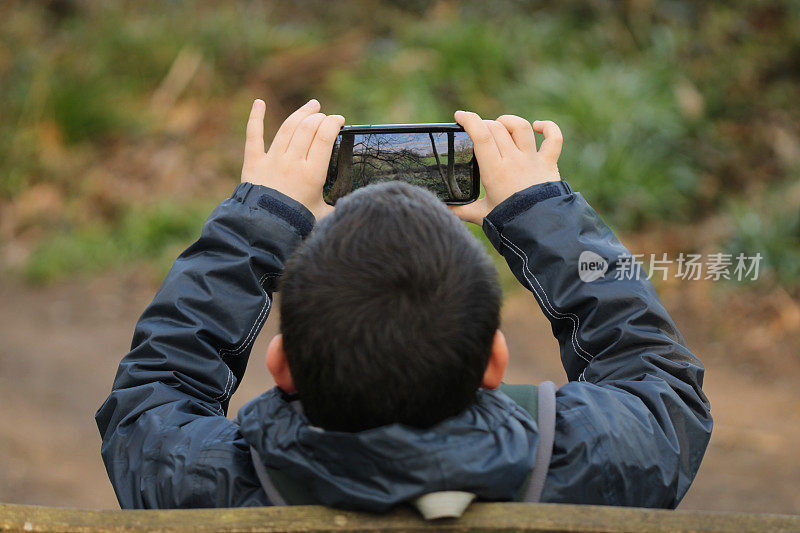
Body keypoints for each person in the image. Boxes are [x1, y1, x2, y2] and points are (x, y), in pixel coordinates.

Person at [95, 98, 712, 510]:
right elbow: (658, 381)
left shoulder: (215, 483)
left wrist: (261, 218)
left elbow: (150, 397)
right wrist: (539, 207)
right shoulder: (584, 462)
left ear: (281, 367)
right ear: (494, 363)